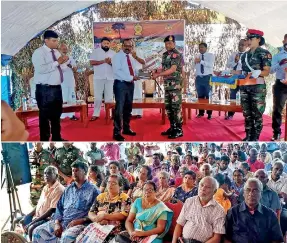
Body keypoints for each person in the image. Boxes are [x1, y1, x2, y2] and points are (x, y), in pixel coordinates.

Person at [32, 161, 99, 243]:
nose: (74, 173)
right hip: (62, 221)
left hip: (79, 224)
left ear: (85, 172)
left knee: (66, 237)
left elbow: (96, 213)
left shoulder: (93, 190)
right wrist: (57, 223)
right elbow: (59, 208)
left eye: (77, 170)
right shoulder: (68, 189)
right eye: (73, 171)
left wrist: (82, 220)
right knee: (37, 231)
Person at [235, 29, 272, 141]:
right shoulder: (244, 55)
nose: (248, 41)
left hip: (257, 88)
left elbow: (267, 71)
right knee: (247, 114)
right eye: (248, 39)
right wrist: (227, 73)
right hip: (245, 87)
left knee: (257, 114)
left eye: (251, 38)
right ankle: (248, 136)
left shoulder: (264, 53)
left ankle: (255, 138)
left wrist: (259, 72)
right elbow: (241, 72)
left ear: (258, 39)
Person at [32, 30, 69, 141]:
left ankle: (57, 137)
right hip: (44, 89)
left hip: (57, 88)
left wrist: (64, 62)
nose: (56, 43)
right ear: (46, 40)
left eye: (57, 40)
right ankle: (44, 139)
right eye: (54, 40)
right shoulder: (39, 53)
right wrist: (57, 62)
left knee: (57, 114)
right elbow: (41, 69)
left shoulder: (56, 52)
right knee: (44, 116)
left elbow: (62, 68)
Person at [225, 178, 283, 243]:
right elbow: (226, 238)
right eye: (248, 190)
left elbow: (277, 239)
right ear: (243, 193)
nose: (251, 194)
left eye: (255, 190)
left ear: (261, 194)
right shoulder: (233, 212)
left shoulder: (270, 215)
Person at [77, 174, 131, 242]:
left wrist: (104, 216)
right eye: (108, 182)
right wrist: (95, 218)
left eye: (113, 183)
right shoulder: (101, 196)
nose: (110, 184)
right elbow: (91, 212)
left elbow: (123, 215)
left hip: (115, 229)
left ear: (120, 186)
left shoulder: (124, 197)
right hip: (99, 225)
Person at [15, 166, 64, 240]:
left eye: (49, 173)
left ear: (56, 176)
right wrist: (28, 216)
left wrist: (33, 222)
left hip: (47, 219)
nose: (46, 175)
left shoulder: (59, 189)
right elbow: (39, 205)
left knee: (31, 228)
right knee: (18, 221)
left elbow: (52, 211)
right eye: (44, 173)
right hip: (38, 216)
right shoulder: (46, 187)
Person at [172, 176, 225, 243]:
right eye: (201, 185)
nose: (203, 188)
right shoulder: (189, 201)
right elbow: (179, 225)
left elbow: (217, 238)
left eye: (208, 187)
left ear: (214, 191)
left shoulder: (219, 210)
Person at [152, 35, 183, 139]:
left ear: (174, 43)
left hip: (175, 85)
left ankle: (179, 130)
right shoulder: (165, 55)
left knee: (176, 108)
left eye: (170, 43)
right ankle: (172, 127)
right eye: (166, 44)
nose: (167, 45)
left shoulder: (176, 54)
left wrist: (158, 75)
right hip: (167, 85)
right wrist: (156, 71)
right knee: (169, 108)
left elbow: (173, 69)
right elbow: (165, 69)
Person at [112, 38, 144, 141]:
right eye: (126, 46)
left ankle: (126, 128)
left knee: (128, 108)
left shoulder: (131, 57)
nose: (128, 48)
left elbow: (134, 70)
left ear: (132, 47)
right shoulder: (116, 57)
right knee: (119, 109)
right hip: (120, 85)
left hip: (130, 85)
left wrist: (139, 75)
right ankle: (117, 132)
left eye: (130, 46)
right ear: (122, 46)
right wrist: (131, 77)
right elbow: (117, 71)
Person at [89, 37, 116, 121]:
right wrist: (103, 61)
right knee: (98, 97)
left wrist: (110, 63)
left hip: (110, 78)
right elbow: (92, 62)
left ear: (110, 44)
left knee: (109, 97)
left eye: (108, 43)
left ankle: (110, 114)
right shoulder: (95, 52)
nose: (106, 45)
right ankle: (95, 114)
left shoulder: (113, 53)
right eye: (105, 43)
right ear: (101, 44)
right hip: (98, 78)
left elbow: (116, 66)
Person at [225, 39, 247, 120]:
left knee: (244, 96)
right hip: (234, 77)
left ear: (246, 46)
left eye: (242, 45)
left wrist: (240, 62)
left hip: (244, 77)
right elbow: (228, 64)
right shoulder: (234, 54)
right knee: (232, 95)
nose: (240, 46)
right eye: (239, 44)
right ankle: (230, 114)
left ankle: (246, 116)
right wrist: (235, 61)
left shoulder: (248, 55)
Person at [271, 34, 287, 141]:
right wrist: (280, 64)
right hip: (281, 85)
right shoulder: (277, 55)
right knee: (277, 109)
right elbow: (271, 70)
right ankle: (276, 132)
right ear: (283, 41)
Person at [194, 42, 215, 120]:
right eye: (199, 47)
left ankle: (209, 114)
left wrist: (201, 61)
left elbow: (210, 65)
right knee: (200, 96)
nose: (200, 49)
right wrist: (195, 62)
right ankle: (201, 112)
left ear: (206, 48)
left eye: (202, 47)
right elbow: (195, 67)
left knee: (208, 96)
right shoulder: (197, 56)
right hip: (199, 78)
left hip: (207, 78)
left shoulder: (210, 55)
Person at [58, 43, 78, 120]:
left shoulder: (70, 57)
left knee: (71, 97)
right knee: (63, 98)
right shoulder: (57, 58)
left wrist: (71, 65)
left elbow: (75, 68)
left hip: (70, 80)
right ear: (59, 49)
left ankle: (71, 115)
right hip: (61, 81)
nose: (64, 50)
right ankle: (61, 115)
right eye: (63, 48)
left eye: (65, 48)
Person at [131, 40, 146, 118]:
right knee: (129, 94)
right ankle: (130, 112)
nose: (130, 45)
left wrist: (135, 57)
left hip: (138, 75)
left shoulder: (139, 51)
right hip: (128, 75)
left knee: (138, 93)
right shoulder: (124, 52)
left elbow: (143, 62)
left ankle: (138, 113)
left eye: (132, 43)